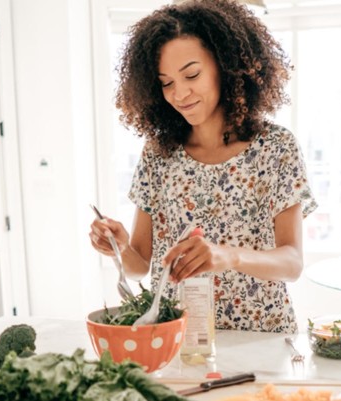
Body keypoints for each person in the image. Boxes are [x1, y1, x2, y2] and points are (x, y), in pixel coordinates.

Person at [89, 0, 317, 334]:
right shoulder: (158, 154)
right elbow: (140, 266)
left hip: (260, 339)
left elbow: (292, 263)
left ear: (226, 66)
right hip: (177, 338)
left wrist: (229, 256)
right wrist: (119, 246)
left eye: (191, 74)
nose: (179, 93)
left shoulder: (275, 148)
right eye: (166, 83)